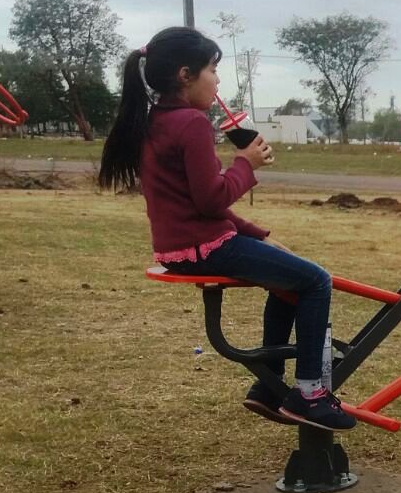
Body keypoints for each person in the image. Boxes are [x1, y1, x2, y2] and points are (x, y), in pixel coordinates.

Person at [98, 25, 355, 431]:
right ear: (185, 75)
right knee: (317, 281)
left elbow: (191, 204)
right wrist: (245, 164)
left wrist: (259, 234)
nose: (217, 80)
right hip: (206, 248)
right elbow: (211, 199)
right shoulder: (192, 123)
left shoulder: (155, 121)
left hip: (179, 249)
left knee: (290, 283)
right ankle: (310, 394)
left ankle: (268, 388)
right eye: (213, 70)